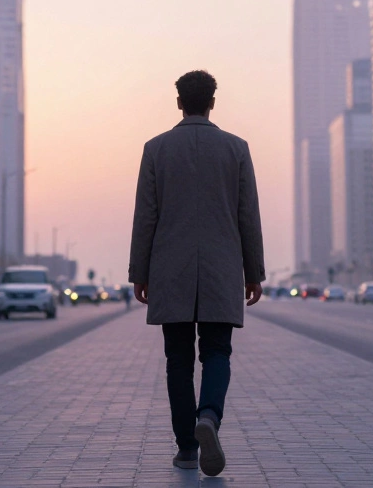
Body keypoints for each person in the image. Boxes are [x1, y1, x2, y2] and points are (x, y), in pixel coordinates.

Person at [128, 70, 265, 477]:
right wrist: (253, 272)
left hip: (170, 269)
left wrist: (140, 272)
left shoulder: (156, 149)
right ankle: (209, 416)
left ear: (179, 103)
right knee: (217, 352)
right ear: (212, 103)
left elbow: (146, 216)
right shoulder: (236, 148)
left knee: (178, 359)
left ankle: (187, 448)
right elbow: (247, 215)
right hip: (222, 267)